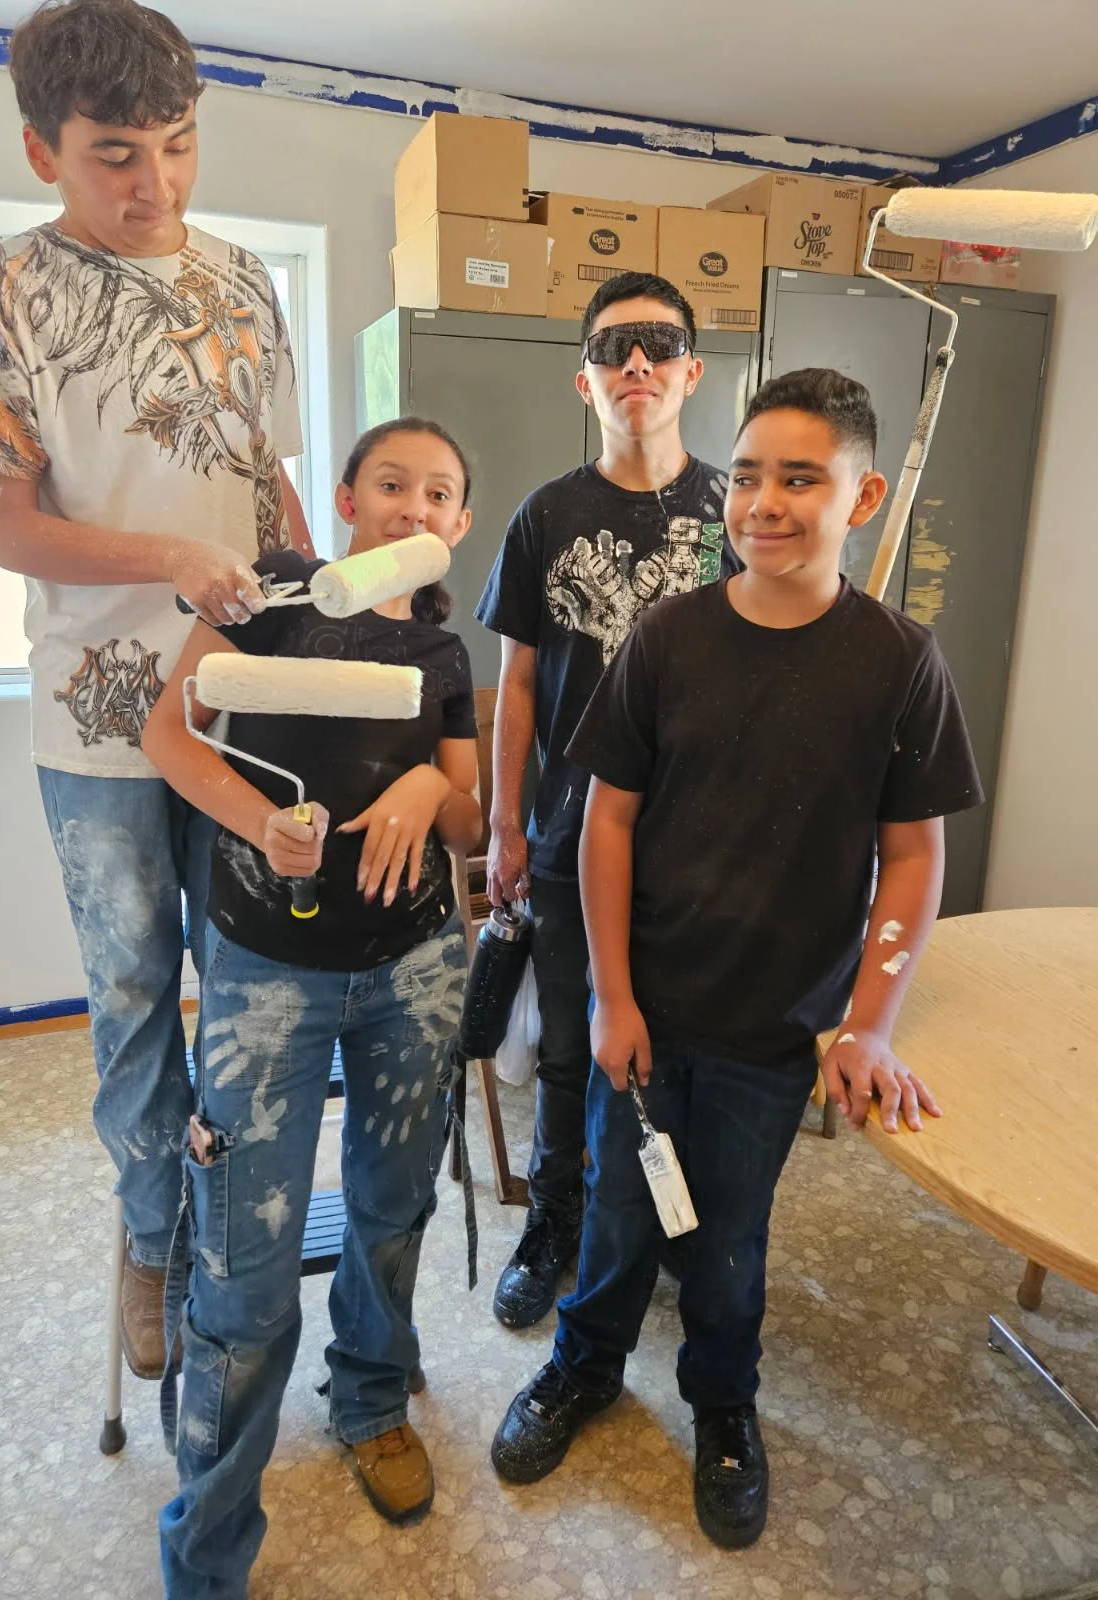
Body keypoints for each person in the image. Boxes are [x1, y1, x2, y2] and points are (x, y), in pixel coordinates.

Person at [490, 368, 984, 1549]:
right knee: (618, 1212)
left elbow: (914, 856)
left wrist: (870, 1023)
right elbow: (607, 821)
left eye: (800, 479)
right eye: (749, 474)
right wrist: (611, 996)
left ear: (862, 497)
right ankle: (583, 1365)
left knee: (726, 1244)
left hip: (773, 1031)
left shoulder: (899, 661)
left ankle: (723, 1404)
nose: (763, 502)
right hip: (648, 1011)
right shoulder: (669, 639)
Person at [0, 0, 313, 1378]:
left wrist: (322, 593)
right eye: (115, 155)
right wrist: (171, 557)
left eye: (178, 144)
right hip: (94, 722)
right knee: (137, 990)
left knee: (254, 976)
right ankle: (153, 1236)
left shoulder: (245, 281)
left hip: (235, 702)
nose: (157, 184)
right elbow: (9, 528)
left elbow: (267, 484)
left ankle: (239, 1223)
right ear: (43, 150)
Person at [141, 417, 480, 1592]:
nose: (412, 507)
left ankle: (371, 1397)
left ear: (457, 524)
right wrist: (261, 825)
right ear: (346, 500)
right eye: (391, 483)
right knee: (245, 1258)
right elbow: (170, 733)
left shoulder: (442, 653)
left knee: (391, 1207)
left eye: (437, 494)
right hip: (265, 973)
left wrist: (429, 782)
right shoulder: (276, 593)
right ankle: (208, 1541)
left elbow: (469, 816)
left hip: (415, 967)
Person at [475, 271, 737, 1328]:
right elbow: (517, 685)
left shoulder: (735, 512)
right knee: (569, 1047)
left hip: (698, 844)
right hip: (570, 833)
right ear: (584, 380)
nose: (637, 362)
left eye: (659, 345)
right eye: (614, 347)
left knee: (677, 1042)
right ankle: (556, 1221)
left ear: (691, 373)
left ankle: (661, 1222)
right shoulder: (546, 516)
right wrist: (505, 823)